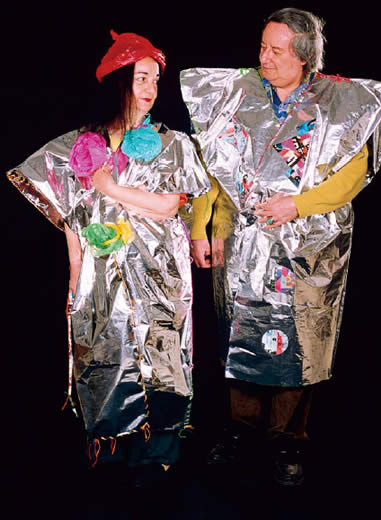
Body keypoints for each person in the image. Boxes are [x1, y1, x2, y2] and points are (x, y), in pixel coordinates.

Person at [180, 8, 381, 486]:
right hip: (241, 240)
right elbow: (211, 168)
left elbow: (354, 172)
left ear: (303, 56)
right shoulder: (237, 94)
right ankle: (238, 431)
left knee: (301, 340)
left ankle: (287, 440)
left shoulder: (339, 101)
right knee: (239, 332)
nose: (264, 58)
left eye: (276, 50)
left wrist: (298, 205)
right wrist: (203, 225)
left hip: (309, 243)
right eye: (262, 47)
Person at [7, 30, 209, 484]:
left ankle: (159, 451)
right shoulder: (81, 145)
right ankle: (112, 447)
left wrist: (112, 188)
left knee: (163, 357)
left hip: (158, 273)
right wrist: (76, 272)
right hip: (102, 275)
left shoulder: (171, 143)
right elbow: (72, 215)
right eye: (141, 78)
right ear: (119, 82)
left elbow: (169, 206)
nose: (151, 88)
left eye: (155, 79)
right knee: (106, 352)